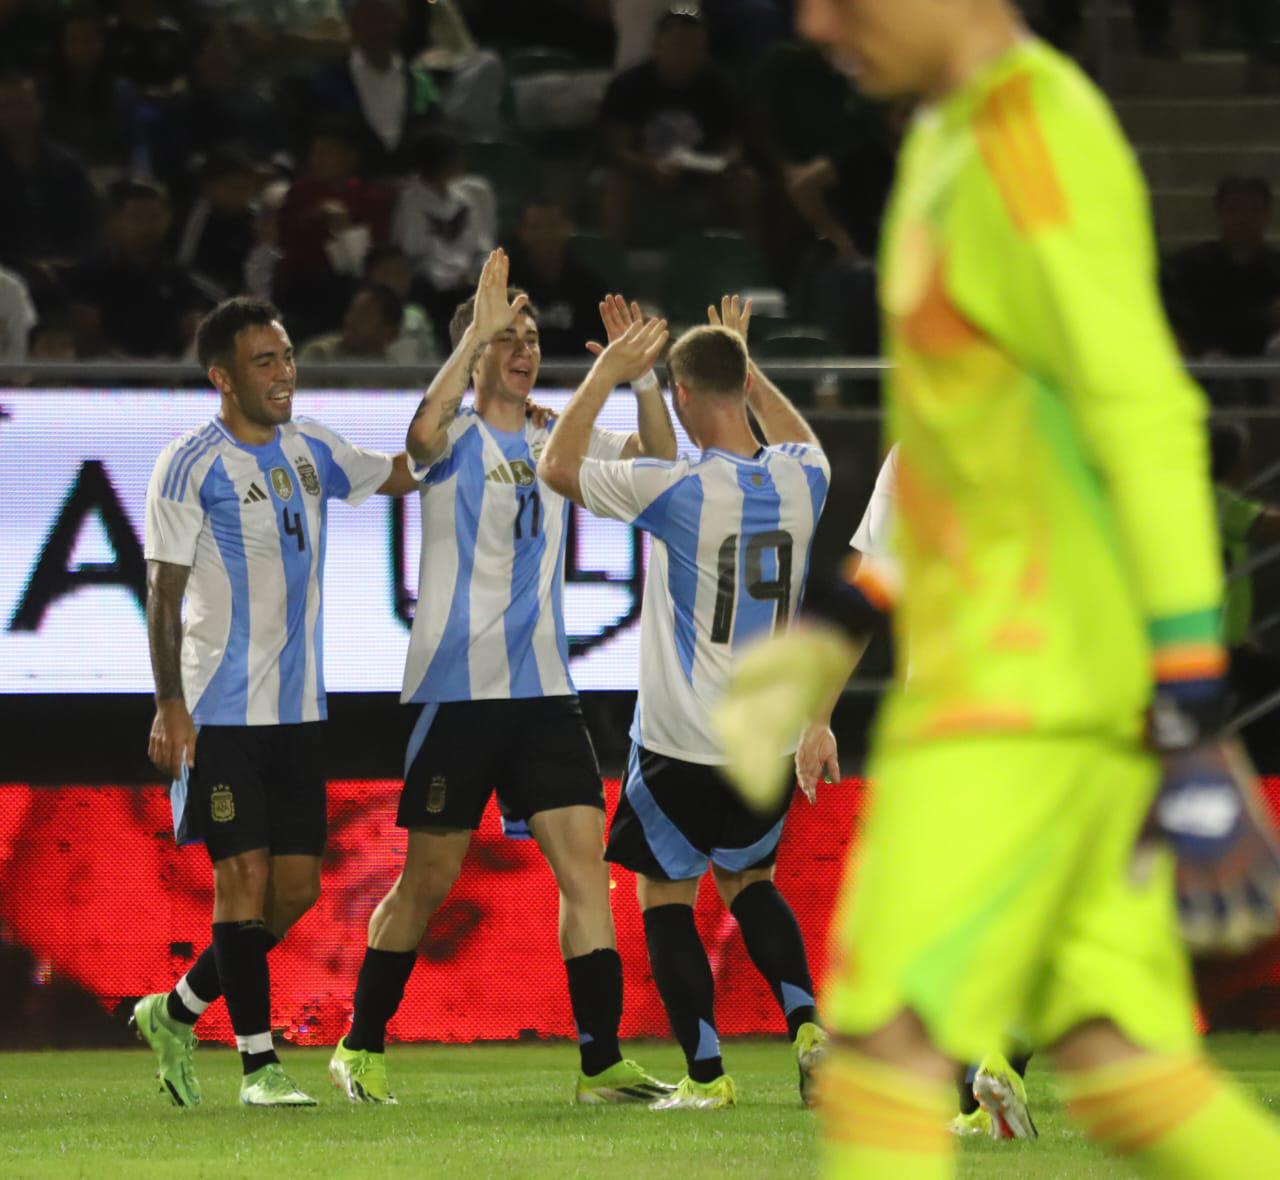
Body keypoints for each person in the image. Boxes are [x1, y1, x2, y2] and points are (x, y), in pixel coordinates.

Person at [714, 3, 1280, 1178]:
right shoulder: (938, 147)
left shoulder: (1034, 141)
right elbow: (940, 473)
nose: (816, 24)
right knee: (1123, 1071)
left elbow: (1148, 424)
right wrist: (826, 641)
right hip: (980, 693)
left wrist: (1186, 722)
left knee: (883, 1045)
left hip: (1036, 699)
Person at [328, 248, 676, 1105]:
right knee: (428, 882)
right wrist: (470, 338)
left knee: (585, 873)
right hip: (459, 695)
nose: (526, 348)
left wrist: (638, 381)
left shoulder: (561, 427)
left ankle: (601, 1064)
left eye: (529, 336)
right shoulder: (451, 439)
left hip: (548, 697)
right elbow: (416, 437)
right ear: (475, 351)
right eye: (506, 337)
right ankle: (360, 1046)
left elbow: (661, 462)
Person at [539, 295, 831, 1111]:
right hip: (764, 749)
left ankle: (707, 1077)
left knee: (666, 899)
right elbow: (790, 430)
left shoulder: (681, 491)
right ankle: (809, 1029)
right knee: (752, 882)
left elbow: (557, 466)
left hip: (678, 746)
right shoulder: (807, 477)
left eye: (673, 391)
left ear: (686, 394)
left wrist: (608, 371)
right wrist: (738, 358)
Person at [133, 296, 418, 1107]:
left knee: (294, 892)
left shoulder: (310, 446)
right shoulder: (188, 464)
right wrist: (170, 704)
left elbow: (397, 471)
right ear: (222, 377)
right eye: (264, 361)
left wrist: (469, 420)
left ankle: (177, 1009)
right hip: (219, 709)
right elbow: (164, 591)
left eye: (287, 355)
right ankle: (259, 1068)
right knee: (242, 878)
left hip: (298, 713)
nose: (284, 372)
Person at [598, 7, 760, 246]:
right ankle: (612, 266)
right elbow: (616, 148)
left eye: (695, 47)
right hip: (643, 174)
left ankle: (747, 264)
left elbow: (734, 144)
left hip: (701, 174)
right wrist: (649, 165)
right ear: (657, 46)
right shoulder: (629, 85)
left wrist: (722, 163)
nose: (687, 54)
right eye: (678, 45)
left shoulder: (718, 86)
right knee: (613, 185)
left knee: (747, 182)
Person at [66, 177, 215, 359]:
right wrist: (135, 371)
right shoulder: (90, 273)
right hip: (109, 372)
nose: (147, 227)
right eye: (137, 217)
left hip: (167, 371)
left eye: (155, 217)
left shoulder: (177, 275)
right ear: (114, 221)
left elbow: (192, 333)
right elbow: (88, 338)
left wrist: (176, 370)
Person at [307, 0, 442, 176]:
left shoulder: (420, 82)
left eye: (385, 19)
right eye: (370, 20)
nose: (378, 29)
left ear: (399, 22)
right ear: (353, 25)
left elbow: (435, 130)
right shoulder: (327, 83)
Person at [389, 128, 492, 350]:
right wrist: (451, 276)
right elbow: (414, 255)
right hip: (431, 288)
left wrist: (475, 273)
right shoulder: (411, 202)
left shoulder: (466, 198)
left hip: (467, 283)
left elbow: (480, 247)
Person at [1165, 178, 1280, 360]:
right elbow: (1179, 315)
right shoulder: (1189, 265)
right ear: (1219, 213)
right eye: (1234, 210)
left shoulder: (1275, 267)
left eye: (1254, 210)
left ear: (1267, 214)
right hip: (1204, 358)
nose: (1244, 219)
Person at [506, 198, 608, 359]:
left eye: (553, 226)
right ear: (521, 233)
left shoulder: (588, 284)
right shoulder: (504, 282)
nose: (545, 235)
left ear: (567, 229)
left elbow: (599, 344)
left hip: (574, 378)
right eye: (536, 228)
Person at [298, 281, 404, 365]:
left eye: (364, 315)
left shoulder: (395, 373)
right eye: (352, 311)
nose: (350, 320)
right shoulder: (320, 354)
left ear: (390, 332)